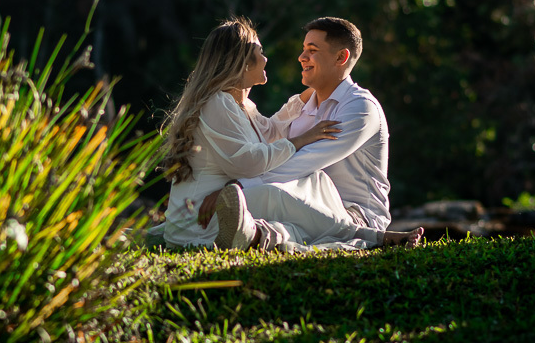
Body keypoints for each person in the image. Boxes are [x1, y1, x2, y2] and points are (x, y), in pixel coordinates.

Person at [159, 17, 420, 250]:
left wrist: (236, 188)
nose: (301, 57)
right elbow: (273, 141)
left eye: (312, 50)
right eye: (304, 49)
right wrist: (305, 113)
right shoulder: (234, 104)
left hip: (351, 211)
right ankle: (254, 234)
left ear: (340, 58)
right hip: (296, 206)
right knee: (285, 199)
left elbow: (296, 157)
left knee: (297, 187)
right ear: (239, 61)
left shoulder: (359, 108)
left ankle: (368, 233)